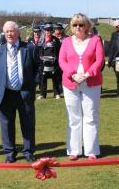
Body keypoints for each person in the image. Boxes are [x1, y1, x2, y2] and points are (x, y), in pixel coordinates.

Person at [0, 21, 38, 163]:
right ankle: (10, 153)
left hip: (25, 93)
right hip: (5, 94)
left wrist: (34, 84)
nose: (10, 34)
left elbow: (37, 68)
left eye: (12, 31)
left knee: (28, 124)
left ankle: (28, 151)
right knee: (6, 125)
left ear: (18, 33)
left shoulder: (29, 48)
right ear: (4, 33)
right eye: (7, 31)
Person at [59, 13, 104, 160]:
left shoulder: (95, 40)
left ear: (87, 26)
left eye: (81, 24)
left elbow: (99, 60)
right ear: (71, 27)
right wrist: (72, 74)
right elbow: (62, 61)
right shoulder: (66, 42)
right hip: (70, 83)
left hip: (91, 82)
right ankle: (74, 150)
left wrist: (87, 74)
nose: (78, 27)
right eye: (75, 25)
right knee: (74, 117)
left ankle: (91, 150)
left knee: (90, 116)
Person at [37, 23, 61, 99]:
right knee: (43, 79)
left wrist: (56, 61)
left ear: (52, 31)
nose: (48, 32)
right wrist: (40, 60)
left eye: (50, 30)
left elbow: (59, 52)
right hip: (43, 63)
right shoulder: (41, 40)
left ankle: (56, 93)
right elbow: (38, 51)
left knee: (55, 79)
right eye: (47, 30)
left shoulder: (56, 40)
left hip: (53, 63)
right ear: (45, 31)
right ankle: (42, 94)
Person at [108, 21, 119, 97]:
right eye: (117, 26)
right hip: (117, 60)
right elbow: (111, 48)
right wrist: (110, 60)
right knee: (118, 77)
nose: (118, 27)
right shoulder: (114, 35)